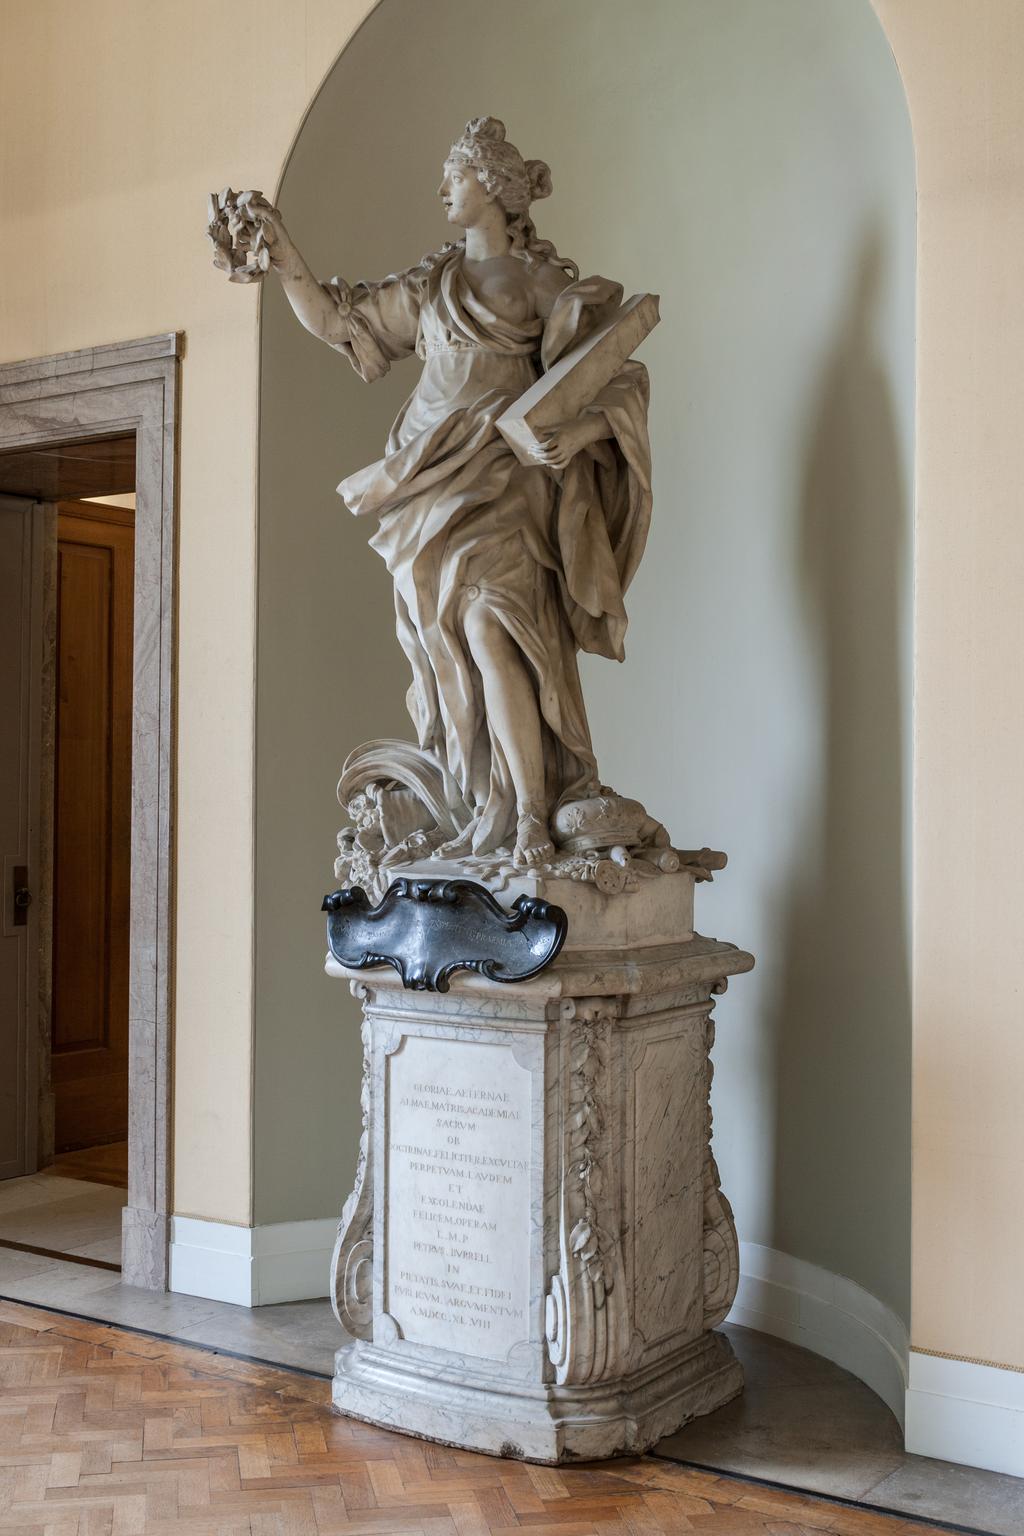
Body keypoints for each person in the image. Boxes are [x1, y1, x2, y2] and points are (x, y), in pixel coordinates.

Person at [246, 116, 653, 868]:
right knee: (446, 649)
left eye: (455, 176)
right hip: (424, 483)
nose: (442, 189)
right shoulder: (429, 286)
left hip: (504, 478)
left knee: (496, 630)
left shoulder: (543, 285)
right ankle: (481, 802)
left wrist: (585, 435)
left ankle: (531, 813)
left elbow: (613, 378)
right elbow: (337, 321)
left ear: (493, 186)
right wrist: (282, 252)